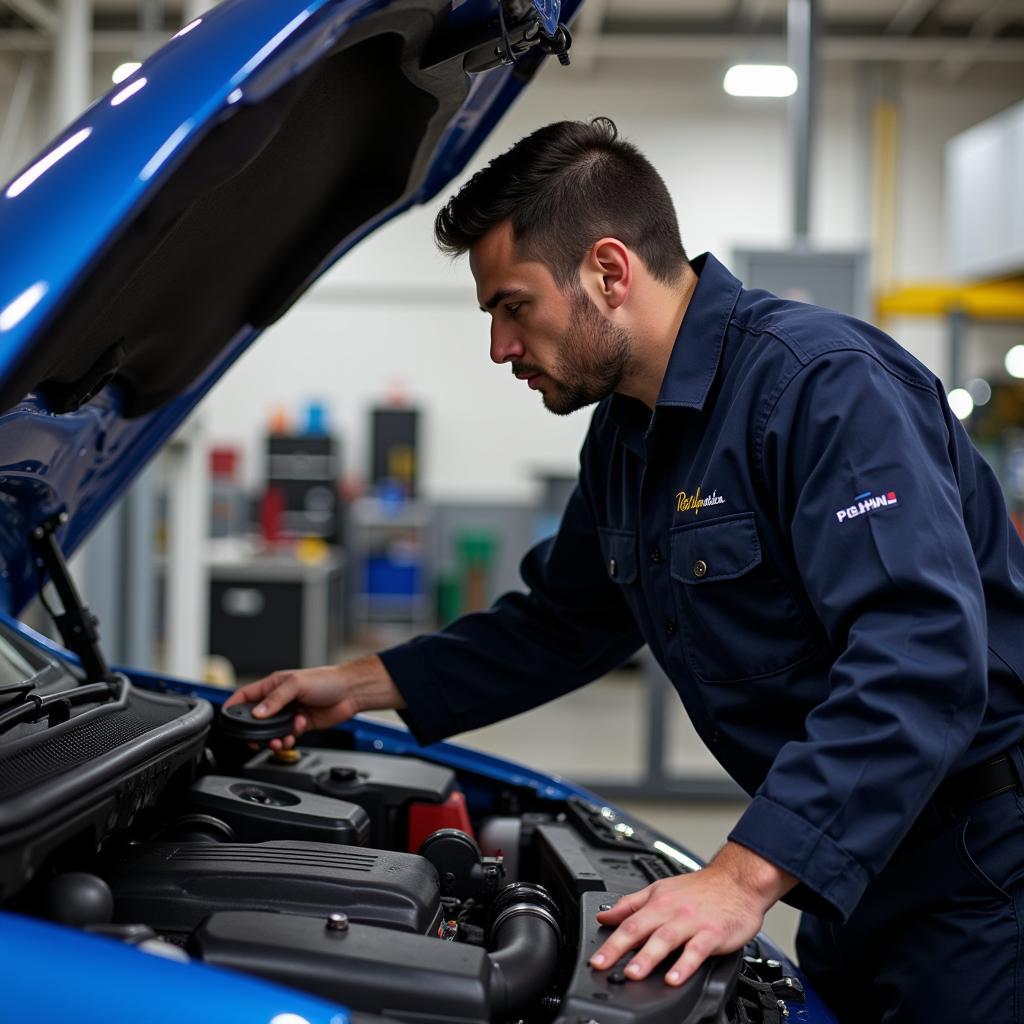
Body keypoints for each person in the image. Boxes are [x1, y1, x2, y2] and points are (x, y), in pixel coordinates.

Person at [226, 118, 1024, 1021]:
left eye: (513, 306)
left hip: (978, 870)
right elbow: (560, 623)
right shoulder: (626, 439)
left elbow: (919, 653)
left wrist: (739, 878)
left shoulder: (823, 387)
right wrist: (359, 684)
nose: (499, 347)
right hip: (846, 867)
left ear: (609, 271)